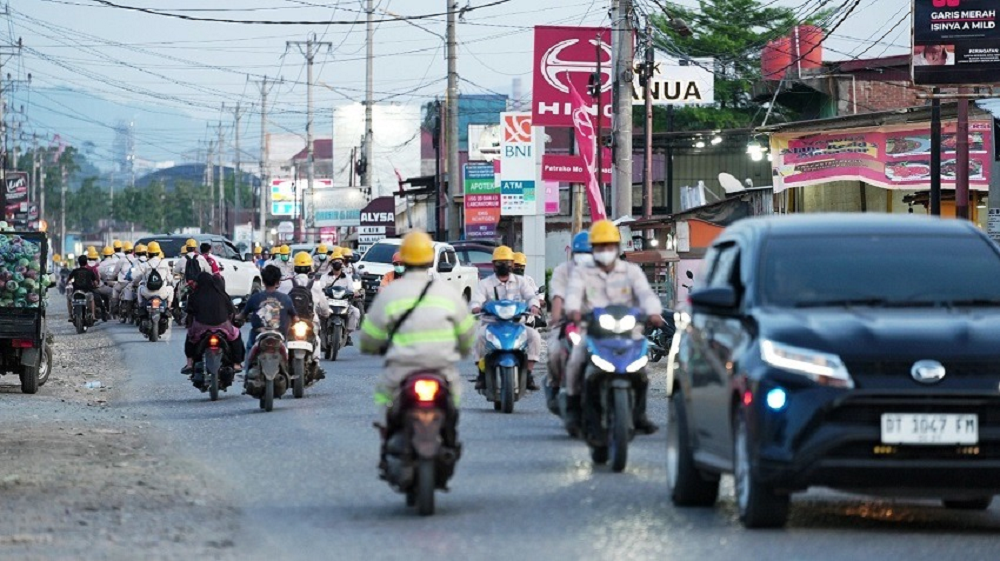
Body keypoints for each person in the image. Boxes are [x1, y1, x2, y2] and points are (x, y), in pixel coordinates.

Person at [360, 230, 475, 426]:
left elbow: (369, 335)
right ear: (429, 260)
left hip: (402, 367)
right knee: (453, 399)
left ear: (404, 260)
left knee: (384, 398)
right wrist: (463, 350)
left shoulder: (391, 293)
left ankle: (389, 433)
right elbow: (467, 332)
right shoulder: (446, 292)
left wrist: (371, 347)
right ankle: (449, 435)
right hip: (440, 366)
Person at [563, 220, 664, 436]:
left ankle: (639, 415)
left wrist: (654, 313)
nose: (605, 250)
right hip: (592, 329)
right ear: (593, 249)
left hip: (628, 330)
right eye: (600, 246)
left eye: (609, 246)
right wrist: (573, 310)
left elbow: (646, 294)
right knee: (575, 360)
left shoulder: (631, 271)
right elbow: (573, 295)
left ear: (617, 248)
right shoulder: (582, 272)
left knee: (642, 368)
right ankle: (573, 409)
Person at [470, 245, 543, 391]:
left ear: (513, 264)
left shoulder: (521, 282)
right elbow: (476, 300)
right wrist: (476, 307)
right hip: (491, 324)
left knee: (535, 336)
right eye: (500, 262)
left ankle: (528, 374)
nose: (503, 265)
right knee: (478, 338)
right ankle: (481, 374)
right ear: (493, 265)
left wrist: (534, 306)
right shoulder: (485, 283)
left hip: (517, 324)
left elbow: (531, 296)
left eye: (507, 262)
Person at [544, 231, 592, 412]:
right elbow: (558, 296)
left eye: (588, 253)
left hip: (595, 324)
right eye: (581, 253)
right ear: (573, 254)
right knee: (555, 352)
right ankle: (555, 385)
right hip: (568, 322)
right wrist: (556, 317)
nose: (584, 257)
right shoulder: (562, 271)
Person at [182, 272, 245, 375]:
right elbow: (231, 313)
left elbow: (190, 314)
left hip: (200, 327)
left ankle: (189, 363)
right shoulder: (222, 295)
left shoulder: (194, 296)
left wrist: (189, 325)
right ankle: (237, 364)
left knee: (190, 338)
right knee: (236, 336)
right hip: (223, 326)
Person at [238, 265, 297, 374]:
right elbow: (295, 318)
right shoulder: (286, 298)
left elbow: (242, 315)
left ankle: (247, 373)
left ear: (263, 281)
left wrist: (235, 318)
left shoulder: (255, 298)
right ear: (278, 281)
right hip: (279, 336)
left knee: (250, 349)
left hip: (258, 336)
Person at [280, 252, 330, 379]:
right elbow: (323, 306)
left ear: (294, 267)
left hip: (290, 321)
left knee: (281, 340)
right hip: (310, 321)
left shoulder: (285, 283)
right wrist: (326, 314)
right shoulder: (316, 285)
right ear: (310, 268)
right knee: (316, 340)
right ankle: (316, 365)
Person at [319, 247, 361, 344]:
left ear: (342, 263)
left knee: (356, 312)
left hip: (344, 303)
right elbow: (321, 288)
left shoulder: (348, 277)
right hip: (328, 303)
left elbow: (351, 289)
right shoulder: (324, 276)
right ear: (331, 263)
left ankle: (347, 333)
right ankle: (320, 332)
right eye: (335, 261)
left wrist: (355, 293)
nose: (337, 263)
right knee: (317, 312)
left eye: (339, 261)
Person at [135, 241, 174, 322]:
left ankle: (141, 307)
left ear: (148, 253)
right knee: (171, 289)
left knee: (139, 288)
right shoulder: (164, 263)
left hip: (148, 293)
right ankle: (168, 308)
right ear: (159, 252)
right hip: (162, 293)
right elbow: (170, 279)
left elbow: (140, 277)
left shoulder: (145, 264)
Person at [65, 254, 100, 320]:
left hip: (76, 291)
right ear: (86, 262)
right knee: (92, 299)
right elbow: (95, 283)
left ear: (79, 262)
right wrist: (95, 285)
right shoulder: (90, 271)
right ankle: (93, 316)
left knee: (69, 298)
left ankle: (70, 315)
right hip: (87, 292)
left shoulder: (75, 271)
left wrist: (67, 284)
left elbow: (67, 280)